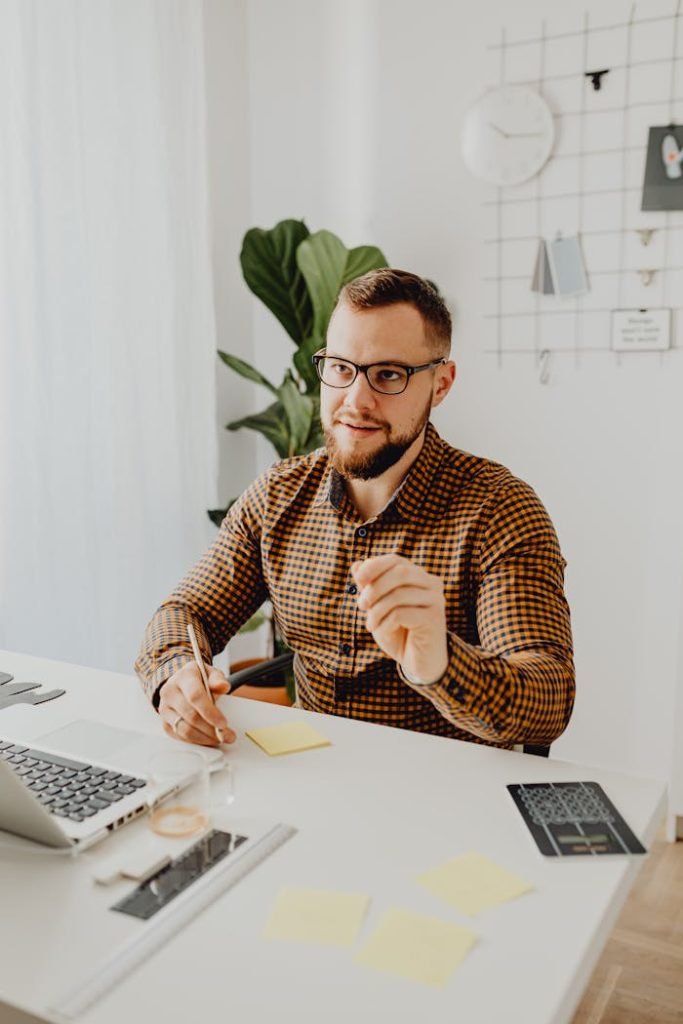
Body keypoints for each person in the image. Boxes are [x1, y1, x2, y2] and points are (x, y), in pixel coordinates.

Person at [135, 268, 574, 750]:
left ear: (441, 384)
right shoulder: (279, 495)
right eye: (342, 368)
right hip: (310, 777)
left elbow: (547, 697)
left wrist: (441, 660)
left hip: (443, 798)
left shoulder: (499, 510)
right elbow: (186, 611)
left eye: (388, 374)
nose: (355, 400)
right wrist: (176, 675)